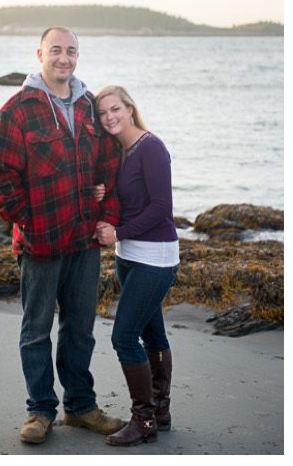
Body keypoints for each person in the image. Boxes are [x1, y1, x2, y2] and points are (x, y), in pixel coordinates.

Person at [0, 26, 126, 444]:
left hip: (83, 240)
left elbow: (108, 164)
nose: (64, 58)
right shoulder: (18, 109)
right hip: (40, 242)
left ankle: (80, 406)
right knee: (36, 329)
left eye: (72, 52)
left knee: (80, 328)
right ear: (40, 53)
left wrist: (106, 211)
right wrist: (26, 220)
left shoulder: (88, 105)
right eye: (57, 50)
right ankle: (40, 411)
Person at [91, 86, 179, 446]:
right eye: (102, 113)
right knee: (153, 335)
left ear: (130, 109)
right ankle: (160, 411)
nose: (109, 117)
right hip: (128, 256)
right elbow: (126, 197)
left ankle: (143, 420)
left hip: (155, 258)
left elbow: (160, 206)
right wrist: (102, 195)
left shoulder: (151, 147)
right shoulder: (119, 150)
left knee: (124, 337)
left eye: (115, 109)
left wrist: (120, 231)